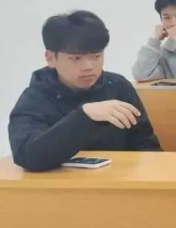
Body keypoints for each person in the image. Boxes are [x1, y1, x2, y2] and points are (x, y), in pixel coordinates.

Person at [9, 11, 162, 172]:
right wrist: (84, 116)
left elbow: (147, 146)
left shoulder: (118, 86)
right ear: (51, 58)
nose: (88, 67)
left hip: (120, 182)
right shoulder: (35, 98)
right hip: (60, 186)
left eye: (96, 56)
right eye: (76, 58)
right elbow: (27, 155)